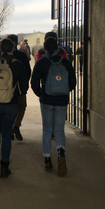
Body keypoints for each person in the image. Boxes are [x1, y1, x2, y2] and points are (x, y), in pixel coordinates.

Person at [0, 39, 29, 178]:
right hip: (11, 104)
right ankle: (4, 167)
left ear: (0, 49)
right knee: (7, 135)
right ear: (13, 49)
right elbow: (24, 86)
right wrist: (15, 93)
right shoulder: (18, 65)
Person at [31, 37, 76, 177]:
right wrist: (64, 92)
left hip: (47, 100)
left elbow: (33, 83)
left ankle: (47, 159)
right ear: (57, 48)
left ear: (45, 48)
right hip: (62, 100)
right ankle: (61, 152)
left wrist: (41, 94)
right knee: (59, 128)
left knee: (47, 129)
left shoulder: (41, 62)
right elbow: (72, 83)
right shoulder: (65, 62)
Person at [7, 34, 31, 141]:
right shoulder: (21, 55)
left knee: (9, 109)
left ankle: (10, 130)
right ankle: (16, 126)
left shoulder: (1, 56)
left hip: (5, 88)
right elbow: (28, 71)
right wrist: (25, 85)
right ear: (17, 43)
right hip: (20, 88)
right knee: (21, 107)